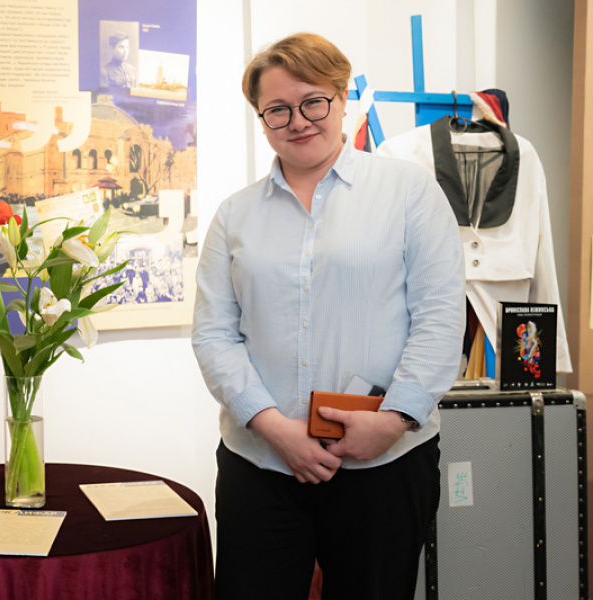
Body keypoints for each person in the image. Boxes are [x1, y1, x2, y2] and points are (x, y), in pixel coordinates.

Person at [191, 33, 465, 600]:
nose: (298, 121)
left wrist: (393, 420)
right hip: (261, 463)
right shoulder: (234, 215)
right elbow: (214, 335)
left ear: (342, 99)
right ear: (262, 118)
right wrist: (273, 426)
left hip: (386, 462)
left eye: (313, 102)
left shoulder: (408, 191)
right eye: (278, 110)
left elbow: (440, 317)